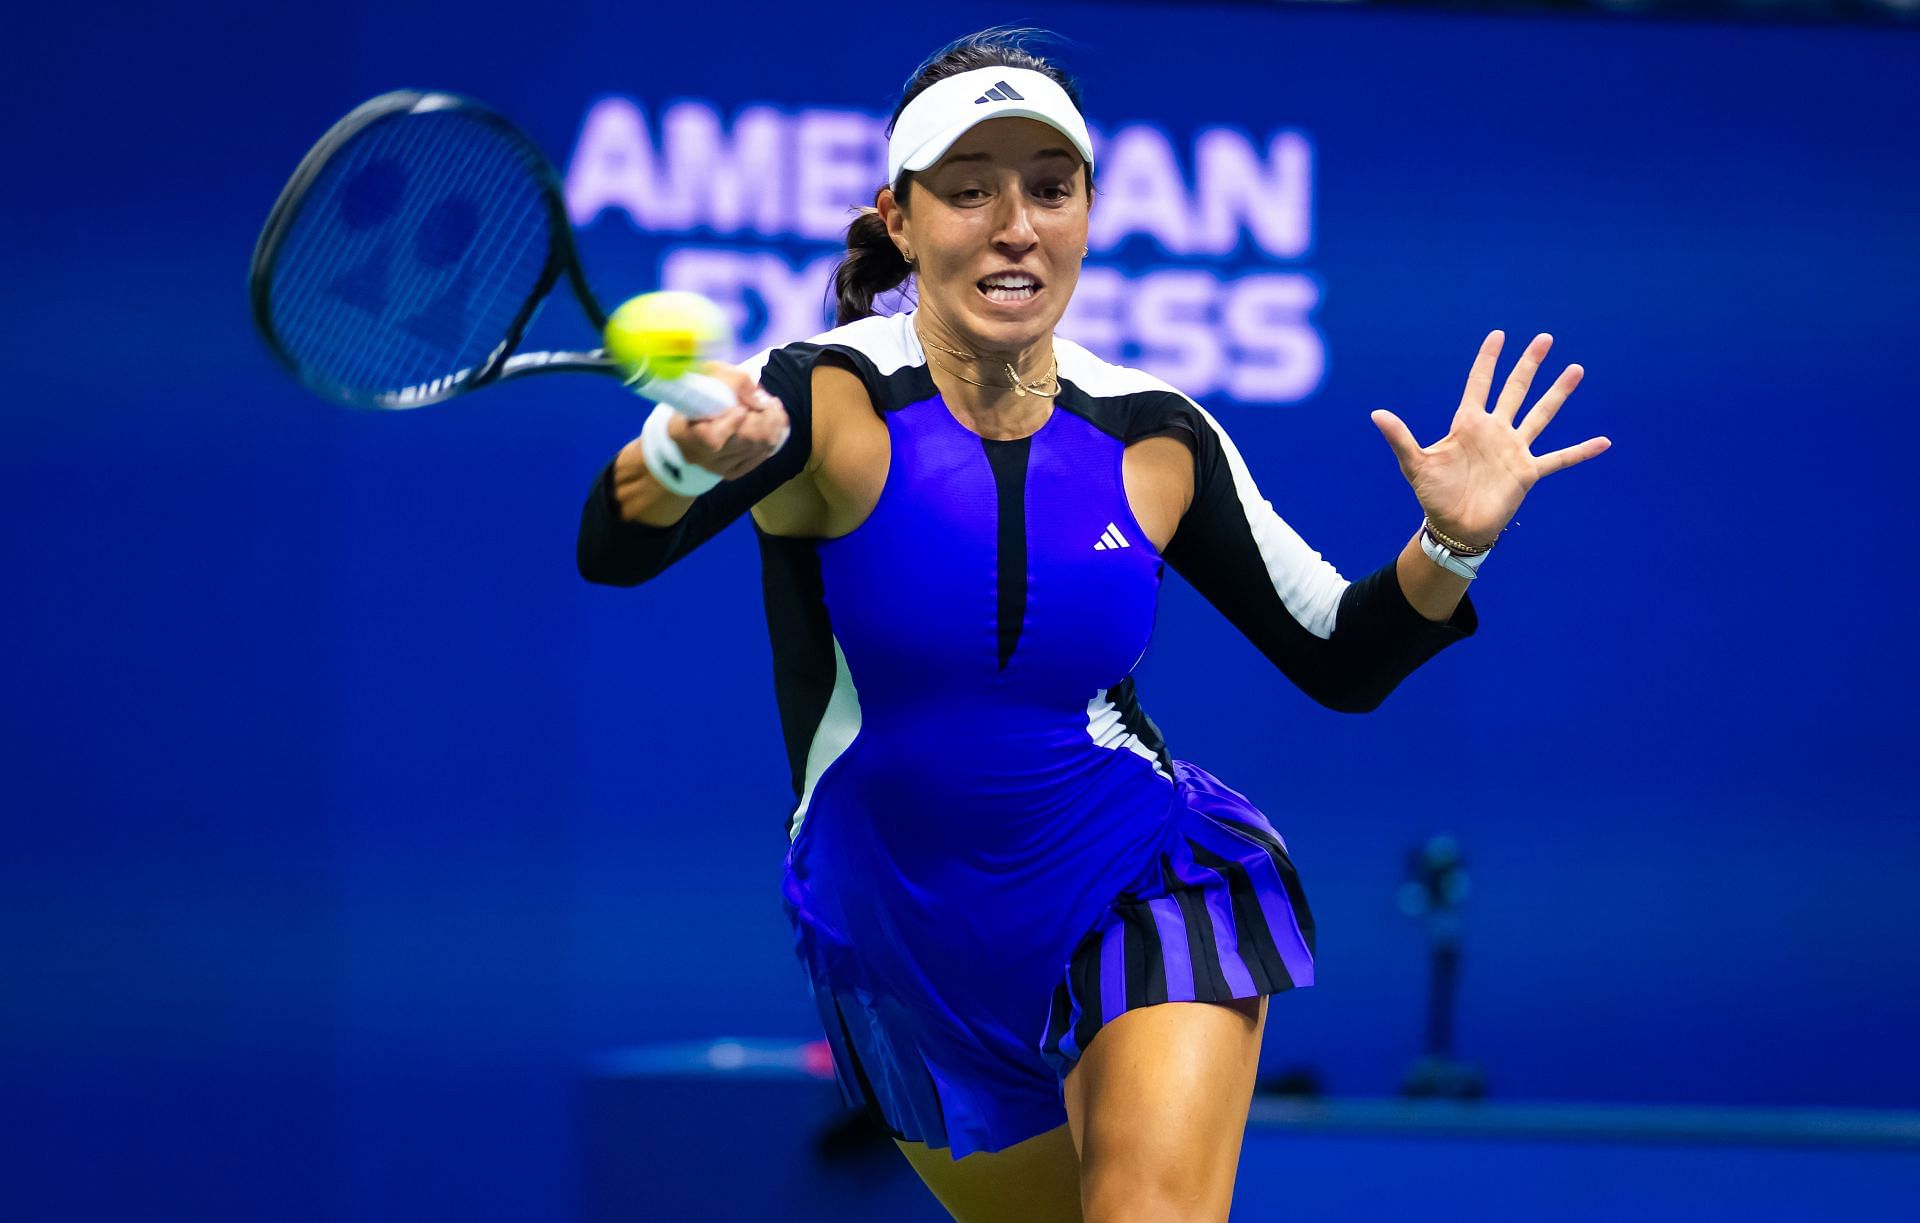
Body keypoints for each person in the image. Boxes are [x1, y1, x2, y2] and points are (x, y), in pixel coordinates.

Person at [576, 28, 1608, 1223]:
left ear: (1087, 212)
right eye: (969, 189)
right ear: (900, 220)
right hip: (902, 935)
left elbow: (1346, 655)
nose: (1015, 223)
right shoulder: (823, 396)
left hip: (1139, 874)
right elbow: (619, 548)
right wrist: (678, 456)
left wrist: (1453, 542)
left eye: (1049, 189)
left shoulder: (1156, 431)